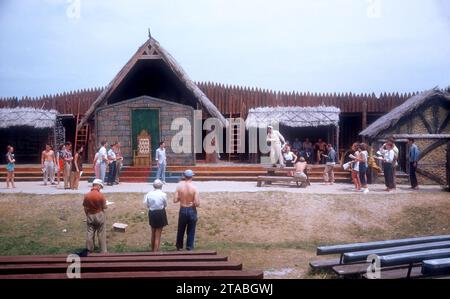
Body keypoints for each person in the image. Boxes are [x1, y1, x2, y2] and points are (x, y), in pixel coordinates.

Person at [174, 169, 200, 251]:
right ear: (192, 176)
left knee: (181, 229)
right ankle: (189, 246)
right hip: (191, 209)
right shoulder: (194, 188)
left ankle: (179, 246)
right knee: (191, 230)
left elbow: (175, 200)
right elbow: (197, 203)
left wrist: (181, 197)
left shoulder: (179, 186)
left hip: (182, 208)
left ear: (184, 176)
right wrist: (192, 202)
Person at [143, 179, 168, 252]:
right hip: (160, 213)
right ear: (161, 186)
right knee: (158, 234)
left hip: (152, 213)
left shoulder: (149, 194)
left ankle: (152, 250)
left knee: (153, 232)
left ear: (153, 186)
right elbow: (165, 204)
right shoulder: (163, 194)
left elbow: (147, 204)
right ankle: (155, 252)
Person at [83, 179, 107, 253]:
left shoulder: (87, 195)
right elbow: (104, 207)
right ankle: (103, 250)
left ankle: (89, 249)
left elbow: (85, 207)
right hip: (99, 215)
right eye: (100, 187)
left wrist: (87, 214)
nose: (100, 188)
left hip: (90, 214)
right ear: (98, 185)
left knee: (90, 233)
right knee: (101, 234)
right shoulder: (101, 195)